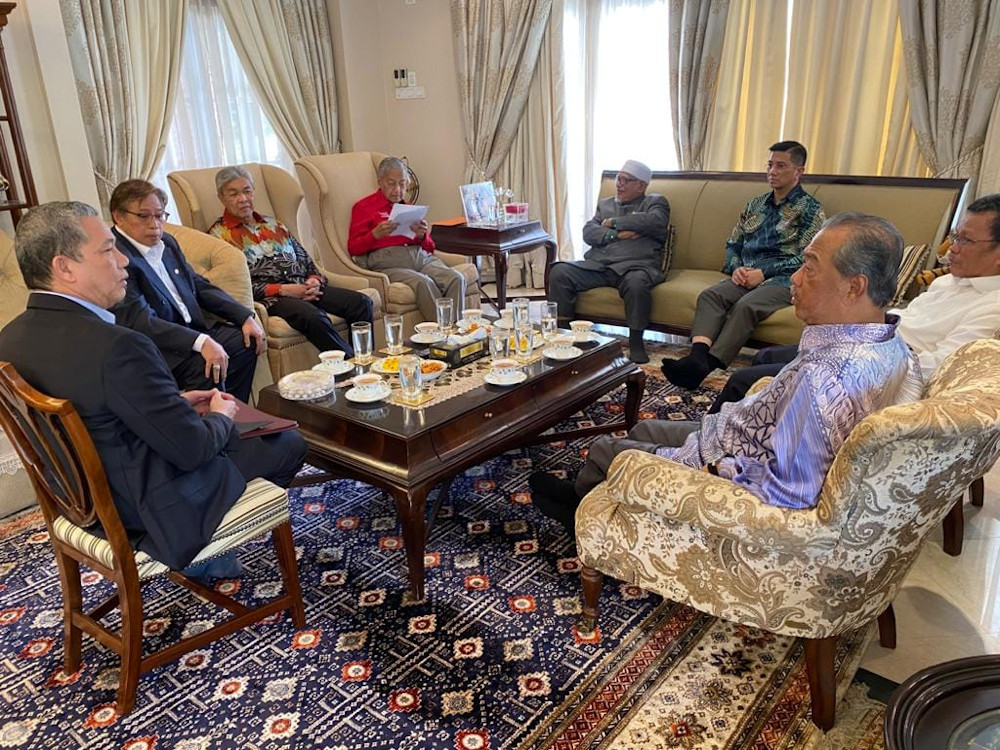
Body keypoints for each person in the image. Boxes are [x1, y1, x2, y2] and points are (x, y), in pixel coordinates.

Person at [530, 213, 923, 529]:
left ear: (854, 287)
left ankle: (585, 519)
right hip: (748, 435)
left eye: (810, 267)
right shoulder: (891, 342)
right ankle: (599, 496)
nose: (797, 279)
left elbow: (788, 493)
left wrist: (712, 465)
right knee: (642, 430)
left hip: (733, 465)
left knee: (606, 450)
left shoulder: (828, 378)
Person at [0, 202, 307, 577]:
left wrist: (173, 403)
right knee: (287, 444)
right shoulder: (118, 345)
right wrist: (220, 416)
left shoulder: (10, 340)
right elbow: (192, 450)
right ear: (64, 267)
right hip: (150, 514)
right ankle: (205, 553)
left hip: (82, 504)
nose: (124, 261)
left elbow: (93, 412)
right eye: (107, 249)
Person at [709, 194, 1000, 412]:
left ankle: (710, 451)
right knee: (764, 358)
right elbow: (907, 320)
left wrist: (863, 354)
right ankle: (755, 421)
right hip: (871, 348)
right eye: (955, 236)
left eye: (966, 241)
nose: (953, 249)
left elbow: (941, 369)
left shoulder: (993, 306)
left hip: (876, 374)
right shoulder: (946, 281)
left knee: (743, 381)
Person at [662, 141, 825, 388]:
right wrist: (736, 267)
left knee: (746, 306)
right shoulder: (755, 204)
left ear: (798, 171)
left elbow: (805, 256)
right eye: (770, 165)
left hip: (783, 279)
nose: (773, 171)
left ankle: (706, 366)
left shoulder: (811, 210)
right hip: (745, 274)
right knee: (710, 296)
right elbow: (733, 242)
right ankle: (696, 357)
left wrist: (763, 272)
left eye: (781, 166)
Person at [109, 179, 265, 403]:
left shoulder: (167, 242)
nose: (155, 224)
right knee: (206, 365)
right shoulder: (116, 256)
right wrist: (202, 342)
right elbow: (140, 321)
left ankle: (234, 413)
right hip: (160, 348)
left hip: (191, 330)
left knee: (246, 340)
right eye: (144, 216)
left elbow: (197, 284)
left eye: (160, 215)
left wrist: (244, 315)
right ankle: (207, 425)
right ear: (119, 216)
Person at [209, 166, 373, 357]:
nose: (243, 199)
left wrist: (314, 280)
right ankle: (354, 367)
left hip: (304, 287)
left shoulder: (274, 224)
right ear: (221, 197)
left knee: (361, 302)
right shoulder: (218, 237)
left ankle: (365, 357)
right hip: (273, 298)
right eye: (233, 194)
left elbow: (306, 261)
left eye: (247, 191)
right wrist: (283, 290)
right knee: (313, 316)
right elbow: (234, 287)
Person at [547, 160, 670, 364]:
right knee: (559, 272)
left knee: (637, 285)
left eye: (625, 180)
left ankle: (636, 341)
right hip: (600, 266)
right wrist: (617, 235)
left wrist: (612, 223)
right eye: (618, 179)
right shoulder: (605, 204)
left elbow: (653, 222)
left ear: (641, 185)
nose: (618, 184)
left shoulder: (656, 203)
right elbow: (589, 232)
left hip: (635, 266)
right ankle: (565, 334)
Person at [348, 156, 466, 320]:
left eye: (402, 184)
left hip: (418, 255)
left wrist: (422, 236)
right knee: (424, 283)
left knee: (456, 278)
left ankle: (455, 333)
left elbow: (430, 248)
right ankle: (444, 335)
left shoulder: (409, 208)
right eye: (391, 183)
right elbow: (353, 248)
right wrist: (374, 235)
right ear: (380, 181)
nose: (398, 189)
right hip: (387, 260)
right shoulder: (364, 207)